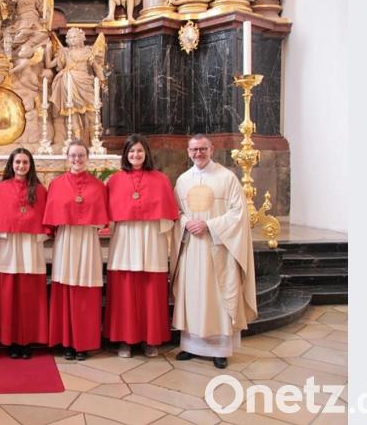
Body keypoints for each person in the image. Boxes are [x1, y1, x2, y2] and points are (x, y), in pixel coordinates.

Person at [170, 134, 258, 369]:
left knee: (216, 296)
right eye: (194, 149)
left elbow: (239, 214)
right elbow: (176, 212)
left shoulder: (227, 178)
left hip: (218, 248)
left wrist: (209, 225)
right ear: (188, 152)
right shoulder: (183, 180)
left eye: (203, 149)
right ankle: (190, 346)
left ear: (212, 150)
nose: (198, 153)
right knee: (193, 295)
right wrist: (186, 221)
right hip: (191, 248)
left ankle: (220, 349)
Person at [105, 135, 178, 358]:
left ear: (146, 153)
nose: (135, 155)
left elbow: (168, 215)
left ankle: (151, 339)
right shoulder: (115, 180)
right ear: (125, 155)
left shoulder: (161, 179)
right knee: (124, 290)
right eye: (131, 152)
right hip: (125, 238)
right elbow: (107, 214)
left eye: (139, 151)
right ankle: (124, 340)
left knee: (151, 291)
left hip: (150, 238)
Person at [43, 140, 109, 360]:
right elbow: (52, 217)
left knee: (86, 289)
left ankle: (83, 343)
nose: (77, 160)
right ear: (67, 157)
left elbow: (102, 218)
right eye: (73, 155)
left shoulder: (99, 186)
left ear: (87, 157)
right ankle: (67, 341)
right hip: (66, 239)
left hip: (88, 240)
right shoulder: (57, 184)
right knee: (65, 287)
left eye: (81, 155)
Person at [0, 148, 49, 359]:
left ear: (31, 165)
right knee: (7, 293)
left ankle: (27, 339)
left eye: (25, 162)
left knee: (30, 294)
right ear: (11, 164)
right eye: (18, 162)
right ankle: (9, 339)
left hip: (30, 246)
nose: (21, 166)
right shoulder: (0, 189)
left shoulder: (39, 190)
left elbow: (45, 218)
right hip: (8, 246)